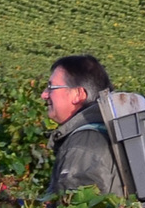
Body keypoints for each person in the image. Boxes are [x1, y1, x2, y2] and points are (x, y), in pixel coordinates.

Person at [40, 54, 131, 199]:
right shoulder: (105, 128)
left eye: (51, 87)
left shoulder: (83, 144)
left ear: (78, 94)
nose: (44, 95)